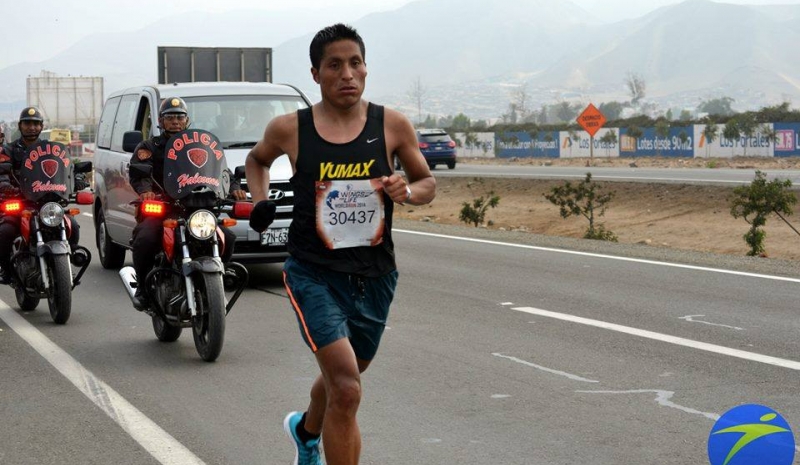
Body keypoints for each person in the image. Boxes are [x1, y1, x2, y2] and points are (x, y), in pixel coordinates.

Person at [245, 23, 435, 465]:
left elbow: (426, 182)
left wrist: (407, 190)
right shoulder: (291, 128)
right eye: (335, 65)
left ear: (366, 69)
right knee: (347, 388)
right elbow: (257, 160)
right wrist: (258, 203)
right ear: (316, 74)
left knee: (344, 377)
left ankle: (305, 431)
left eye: (355, 63)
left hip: (375, 276)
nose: (347, 74)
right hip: (312, 273)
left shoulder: (391, 124)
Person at [129, 97, 246, 310]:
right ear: (160, 121)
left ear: (187, 120)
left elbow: (222, 171)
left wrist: (234, 187)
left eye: (179, 117)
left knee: (227, 237)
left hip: (198, 206)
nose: (175, 121)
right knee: (145, 237)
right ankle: (144, 289)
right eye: (170, 117)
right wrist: (146, 191)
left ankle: (220, 271)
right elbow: (139, 170)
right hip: (165, 208)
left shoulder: (202, 144)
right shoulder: (150, 146)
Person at [0, 107, 86, 284]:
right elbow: (2, 171)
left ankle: (67, 262)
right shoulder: (9, 150)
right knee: (6, 230)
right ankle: (6, 270)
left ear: (41, 126)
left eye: (35, 124)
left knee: (73, 225)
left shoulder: (52, 149)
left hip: (49, 201)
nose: (31, 127)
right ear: (20, 126)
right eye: (27, 123)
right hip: (22, 201)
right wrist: (6, 185)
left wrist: (77, 179)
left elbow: (69, 166)